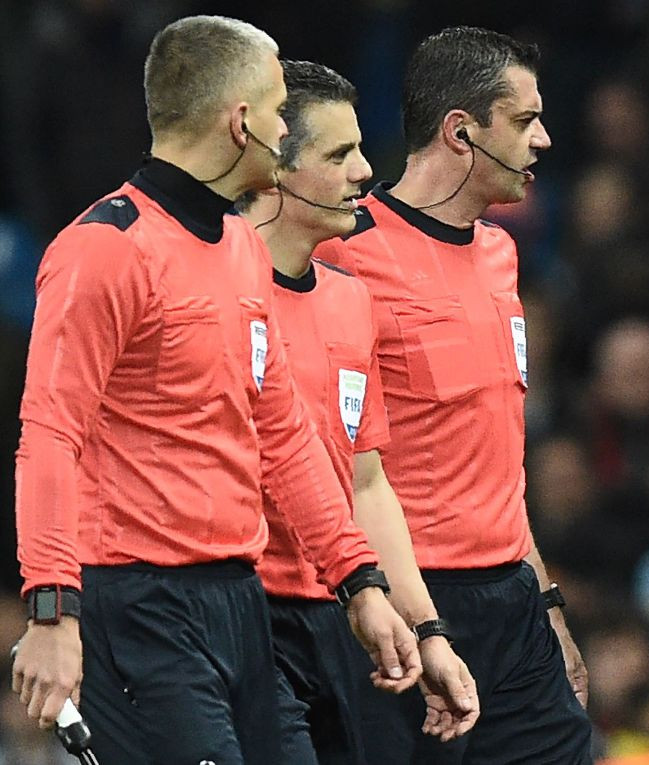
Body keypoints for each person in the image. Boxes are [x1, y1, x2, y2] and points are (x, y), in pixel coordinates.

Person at [10, 16, 421, 765]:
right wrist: (51, 609)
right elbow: (49, 433)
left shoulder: (237, 248)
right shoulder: (106, 249)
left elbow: (282, 431)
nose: (281, 124)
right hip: (138, 607)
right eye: (275, 110)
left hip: (239, 602)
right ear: (241, 123)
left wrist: (359, 578)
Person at [315, 25, 593, 765]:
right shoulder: (343, 252)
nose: (544, 140)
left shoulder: (502, 252)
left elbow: (497, 457)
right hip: (408, 607)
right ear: (462, 132)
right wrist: (395, 613)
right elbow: (334, 464)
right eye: (526, 120)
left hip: (514, 600)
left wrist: (547, 603)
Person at [237, 59, 479, 763]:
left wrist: (427, 627)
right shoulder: (212, 291)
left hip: (342, 614)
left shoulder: (349, 299)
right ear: (275, 170)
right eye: (339, 154)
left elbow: (366, 483)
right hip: (238, 612)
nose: (366, 171)